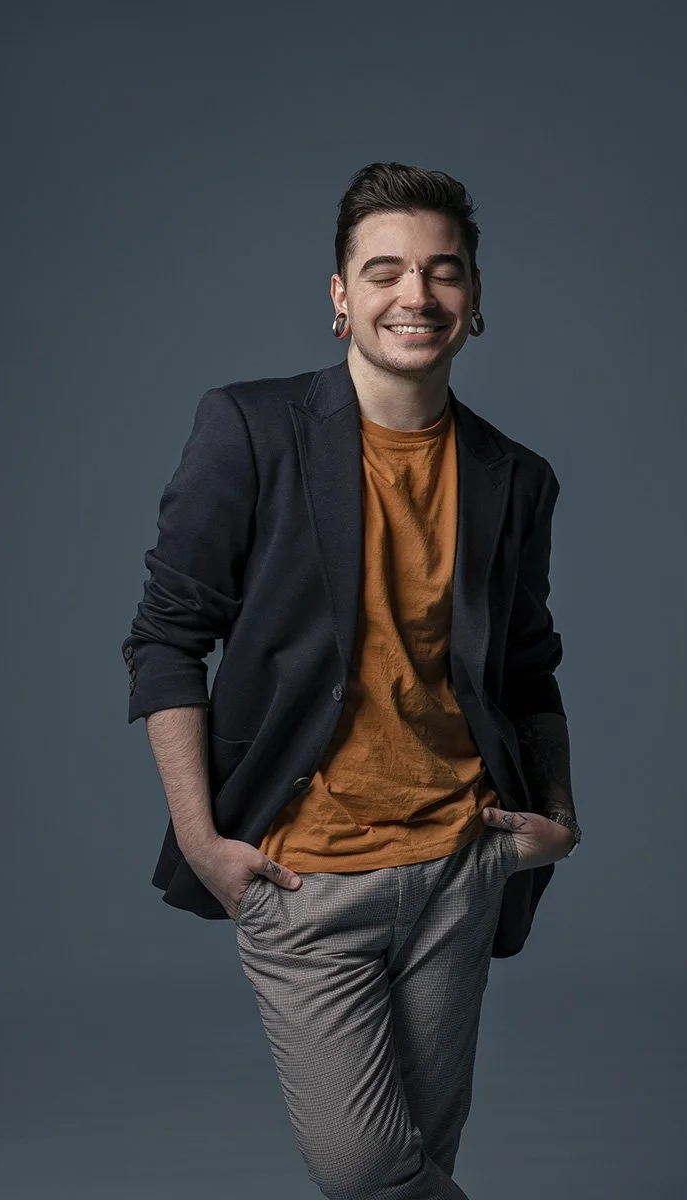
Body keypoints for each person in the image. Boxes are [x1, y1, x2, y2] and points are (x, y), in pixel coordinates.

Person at [121, 161, 581, 1200]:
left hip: (459, 863)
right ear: (340, 297)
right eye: (382, 272)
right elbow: (165, 637)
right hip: (303, 871)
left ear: (472, 299)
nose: (413, 295)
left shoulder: (515, 476)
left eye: (440, 271)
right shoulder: (250, 429)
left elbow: (524, 665)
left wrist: (554, 814)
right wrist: (204, 841)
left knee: (424, 1157)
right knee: (367, 1169)